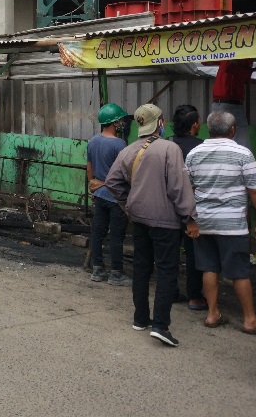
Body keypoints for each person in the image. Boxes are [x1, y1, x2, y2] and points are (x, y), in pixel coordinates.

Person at [105, 104, 199, 347]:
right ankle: (160, 325)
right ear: (160, 123)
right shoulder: (170, 148)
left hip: (139, 219)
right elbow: (178, 188)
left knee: (142, 266)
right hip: (166, 221)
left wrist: (129, 204)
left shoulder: (128, 150)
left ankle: (140, 318)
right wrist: (189, 217)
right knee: (167, 270)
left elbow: (112, 181)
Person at [185, 110, 256, 335]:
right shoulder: (242, 153)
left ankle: (212, 314)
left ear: (208, 129)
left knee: (209, 268)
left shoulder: (194, 153)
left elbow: (187, 189)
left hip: (204, 221)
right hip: (232, 223)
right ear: (232, 130)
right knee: (239, 271)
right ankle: (250, 320)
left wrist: (191, 220)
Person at [168, 105, 208, 311]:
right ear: (194, 124)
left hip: (170, 206)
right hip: (193, 207)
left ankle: (171, 291)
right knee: (193, 252)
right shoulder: (201, 147)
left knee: (171, 250)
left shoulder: (168, 145)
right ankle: (194, 296)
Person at [87, 103, 131, 286]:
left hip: (99, 194)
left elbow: (89, 168)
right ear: (114, 122)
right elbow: (124, 172)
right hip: (115, 196)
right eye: (120, 120)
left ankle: (97, 269)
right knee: (116, 235)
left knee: (98, 232)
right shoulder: (120, 145)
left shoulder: (92, 141)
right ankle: (116, 273)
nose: (122, 123)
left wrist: (94, 187)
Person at [209, 58, 256, 149]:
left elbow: (206, 61)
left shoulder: (227, 54)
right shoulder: (242, 57)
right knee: (241, 141)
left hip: (217, 103)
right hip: (231, 103)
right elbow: (240, 73)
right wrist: (255, 69)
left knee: (217, 138)